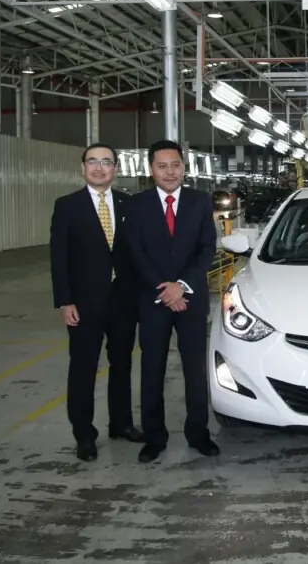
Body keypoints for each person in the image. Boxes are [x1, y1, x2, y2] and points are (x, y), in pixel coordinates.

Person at [124, 140, 219, 463]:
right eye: (162, 166)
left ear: (184, 167)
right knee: (152, 368)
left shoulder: (200, 201)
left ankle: (198, 433)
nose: (169, 172)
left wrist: (181, 286)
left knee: (195, 370)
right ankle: (154, 436)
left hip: (191, 298)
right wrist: (164, 289)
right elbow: (134, 253)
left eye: (175, 165)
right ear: (151, 170)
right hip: (153, 300)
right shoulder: (136, 206)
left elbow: (207, 248)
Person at [49, 143, 144, 462]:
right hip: (84, 303)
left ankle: (121, 424)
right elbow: (58, 258)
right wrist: (65, 301)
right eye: (93, 161)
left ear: (116, 169)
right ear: (82, 167)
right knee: (83, 368)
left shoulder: (129, 204)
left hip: (123, 301)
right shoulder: (67, 206)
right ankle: (84, 435)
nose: (99, 167)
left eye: (106, 162)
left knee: (122, 364)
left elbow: (137, 254)